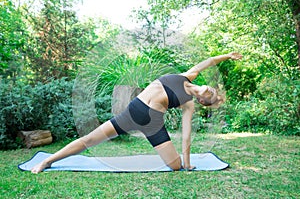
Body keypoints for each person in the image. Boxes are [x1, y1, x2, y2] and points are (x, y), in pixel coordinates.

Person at [31, 52, 242, 174]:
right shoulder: (189, 75)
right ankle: (48, 161)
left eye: (212, 96)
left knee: (176, 166)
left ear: (203, 100)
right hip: (133, 111)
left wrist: (187, 163)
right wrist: (228, 56)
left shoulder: (189, 104)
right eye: (214, 91)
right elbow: (209, 61)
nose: (212, 91)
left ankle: (179, 162)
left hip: (153, 124)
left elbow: (186, 135)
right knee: (89, 140)